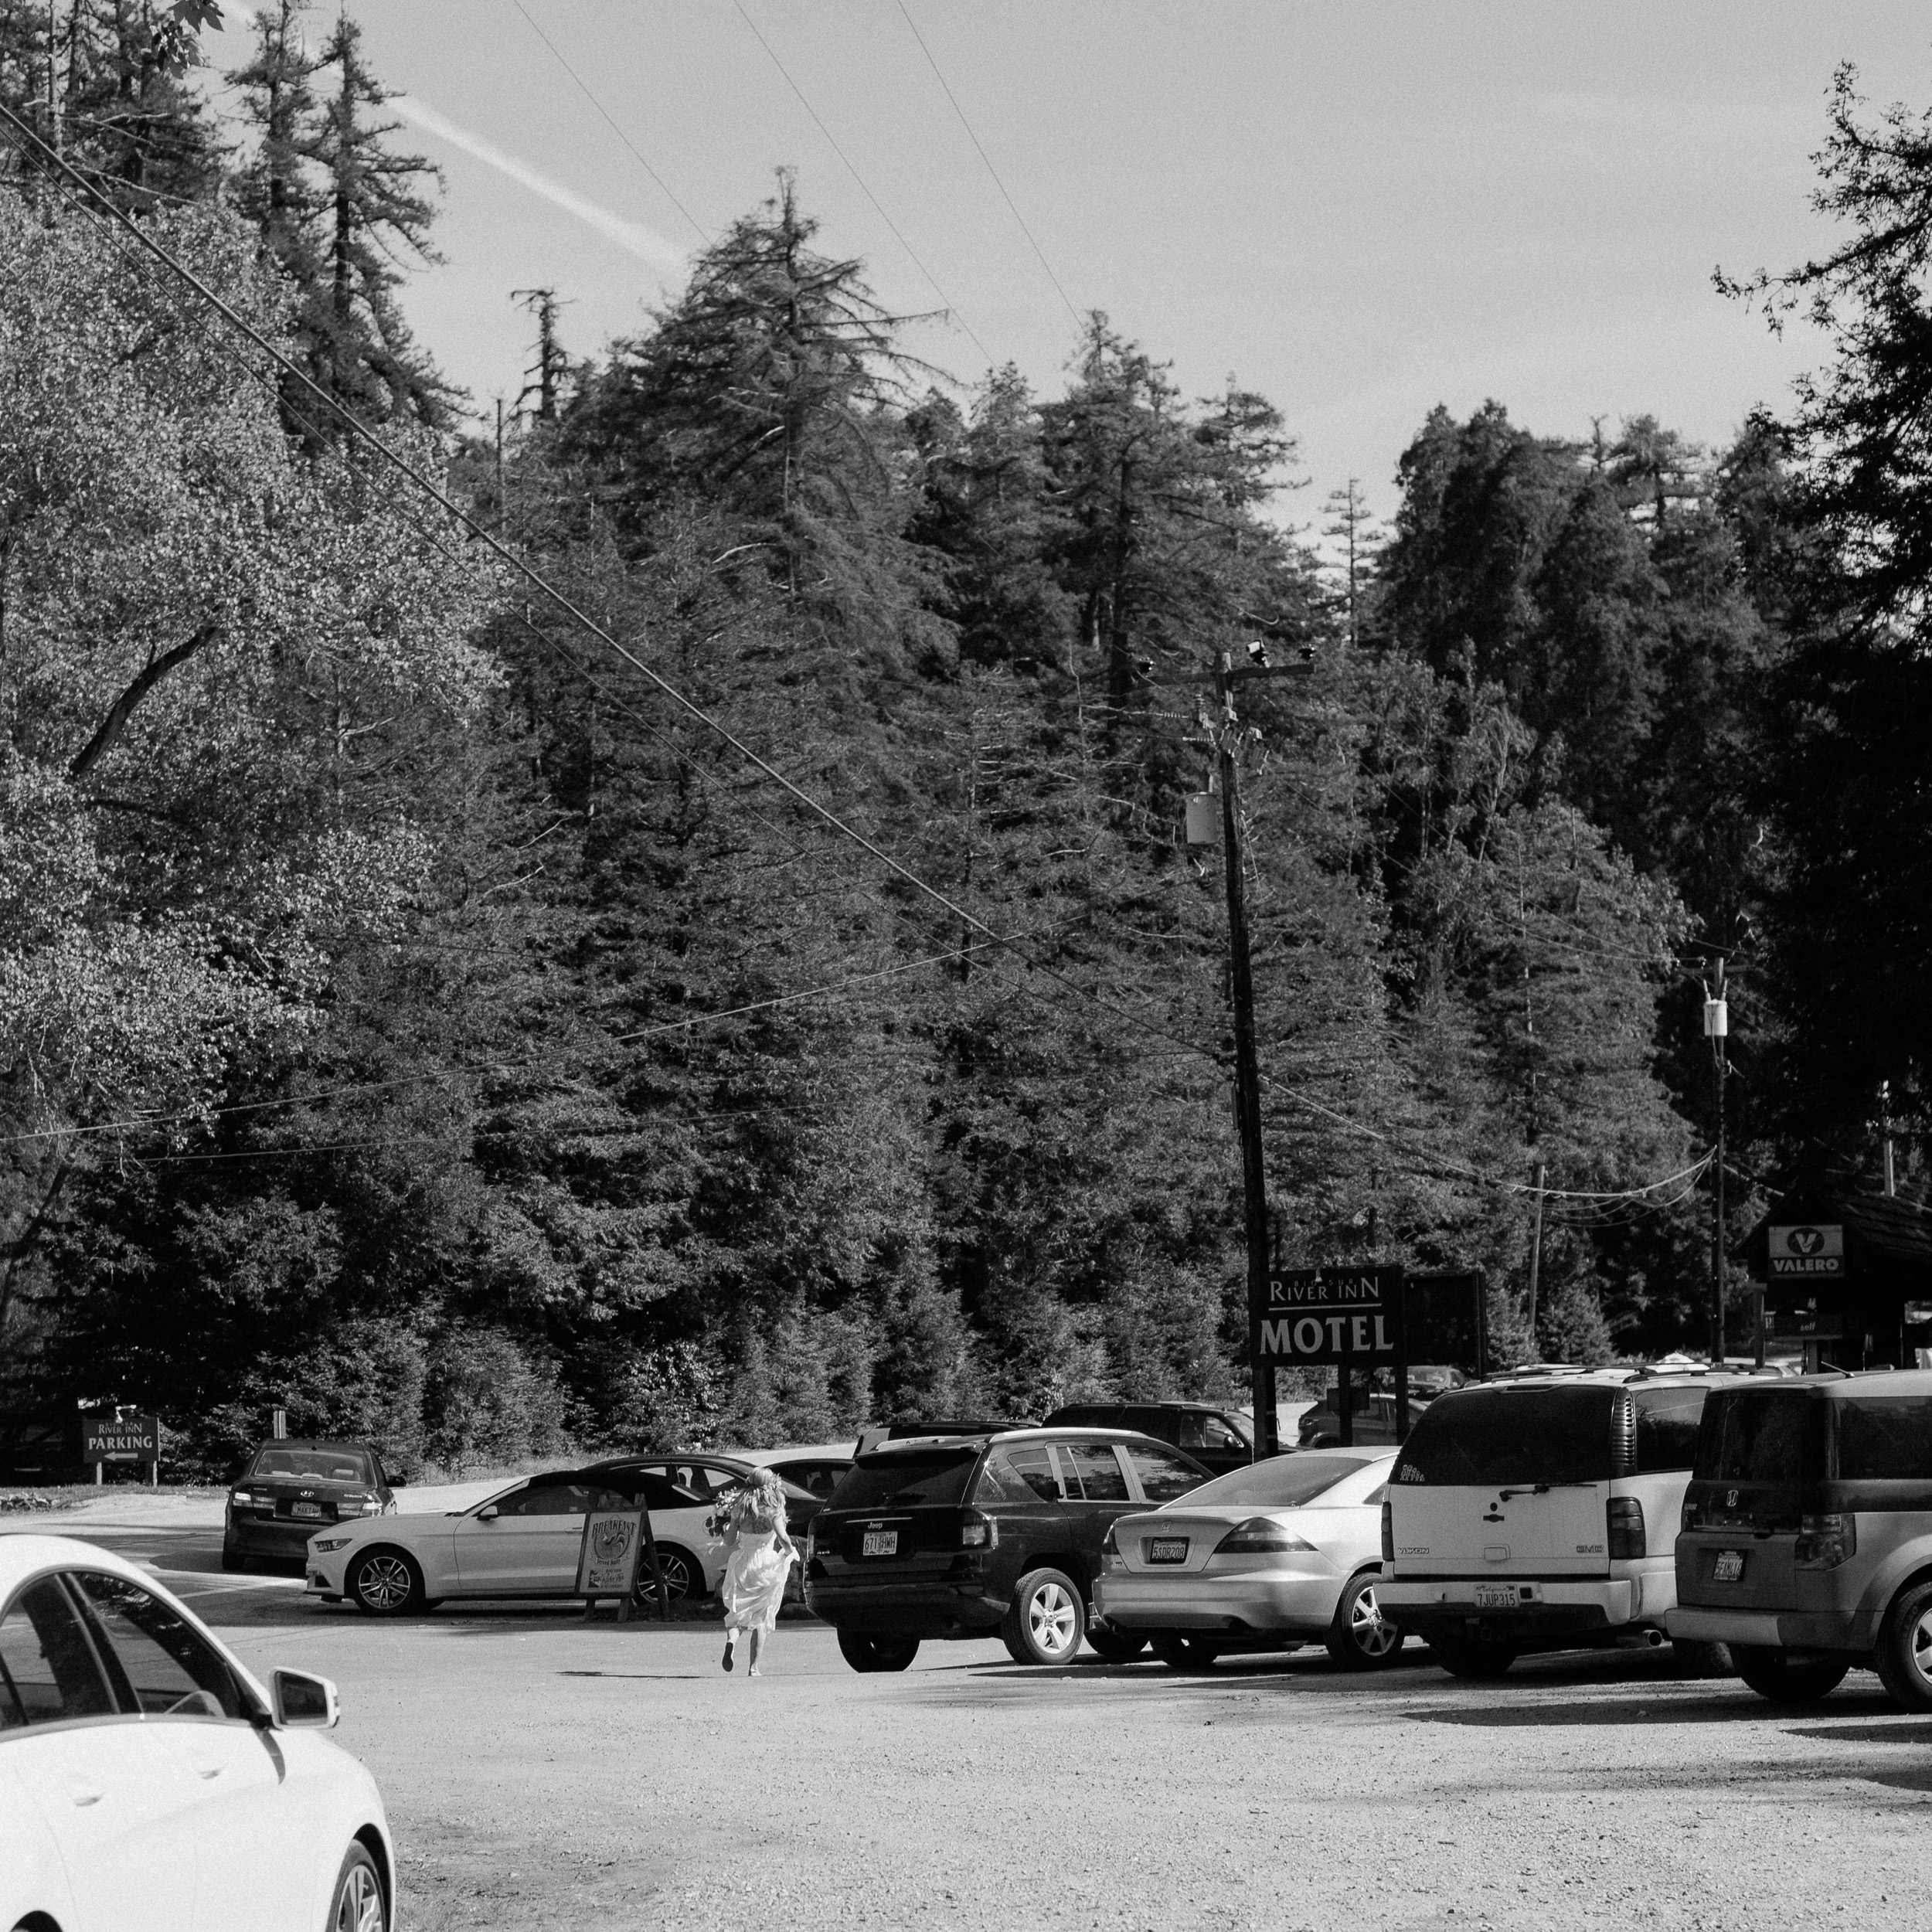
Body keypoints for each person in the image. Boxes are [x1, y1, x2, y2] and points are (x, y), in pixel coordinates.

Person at [716, 1468, 798, 1677]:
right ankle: (753, 1668)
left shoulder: (739, 1509)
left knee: (738, 1615)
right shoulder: (773, 1509)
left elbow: (728, 1542)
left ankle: (731, 1641)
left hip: (742, 1564)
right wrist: (791, 1553)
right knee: (761, 1618)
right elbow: (783, 1539)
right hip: (765, 1566)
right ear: (771, 1484)